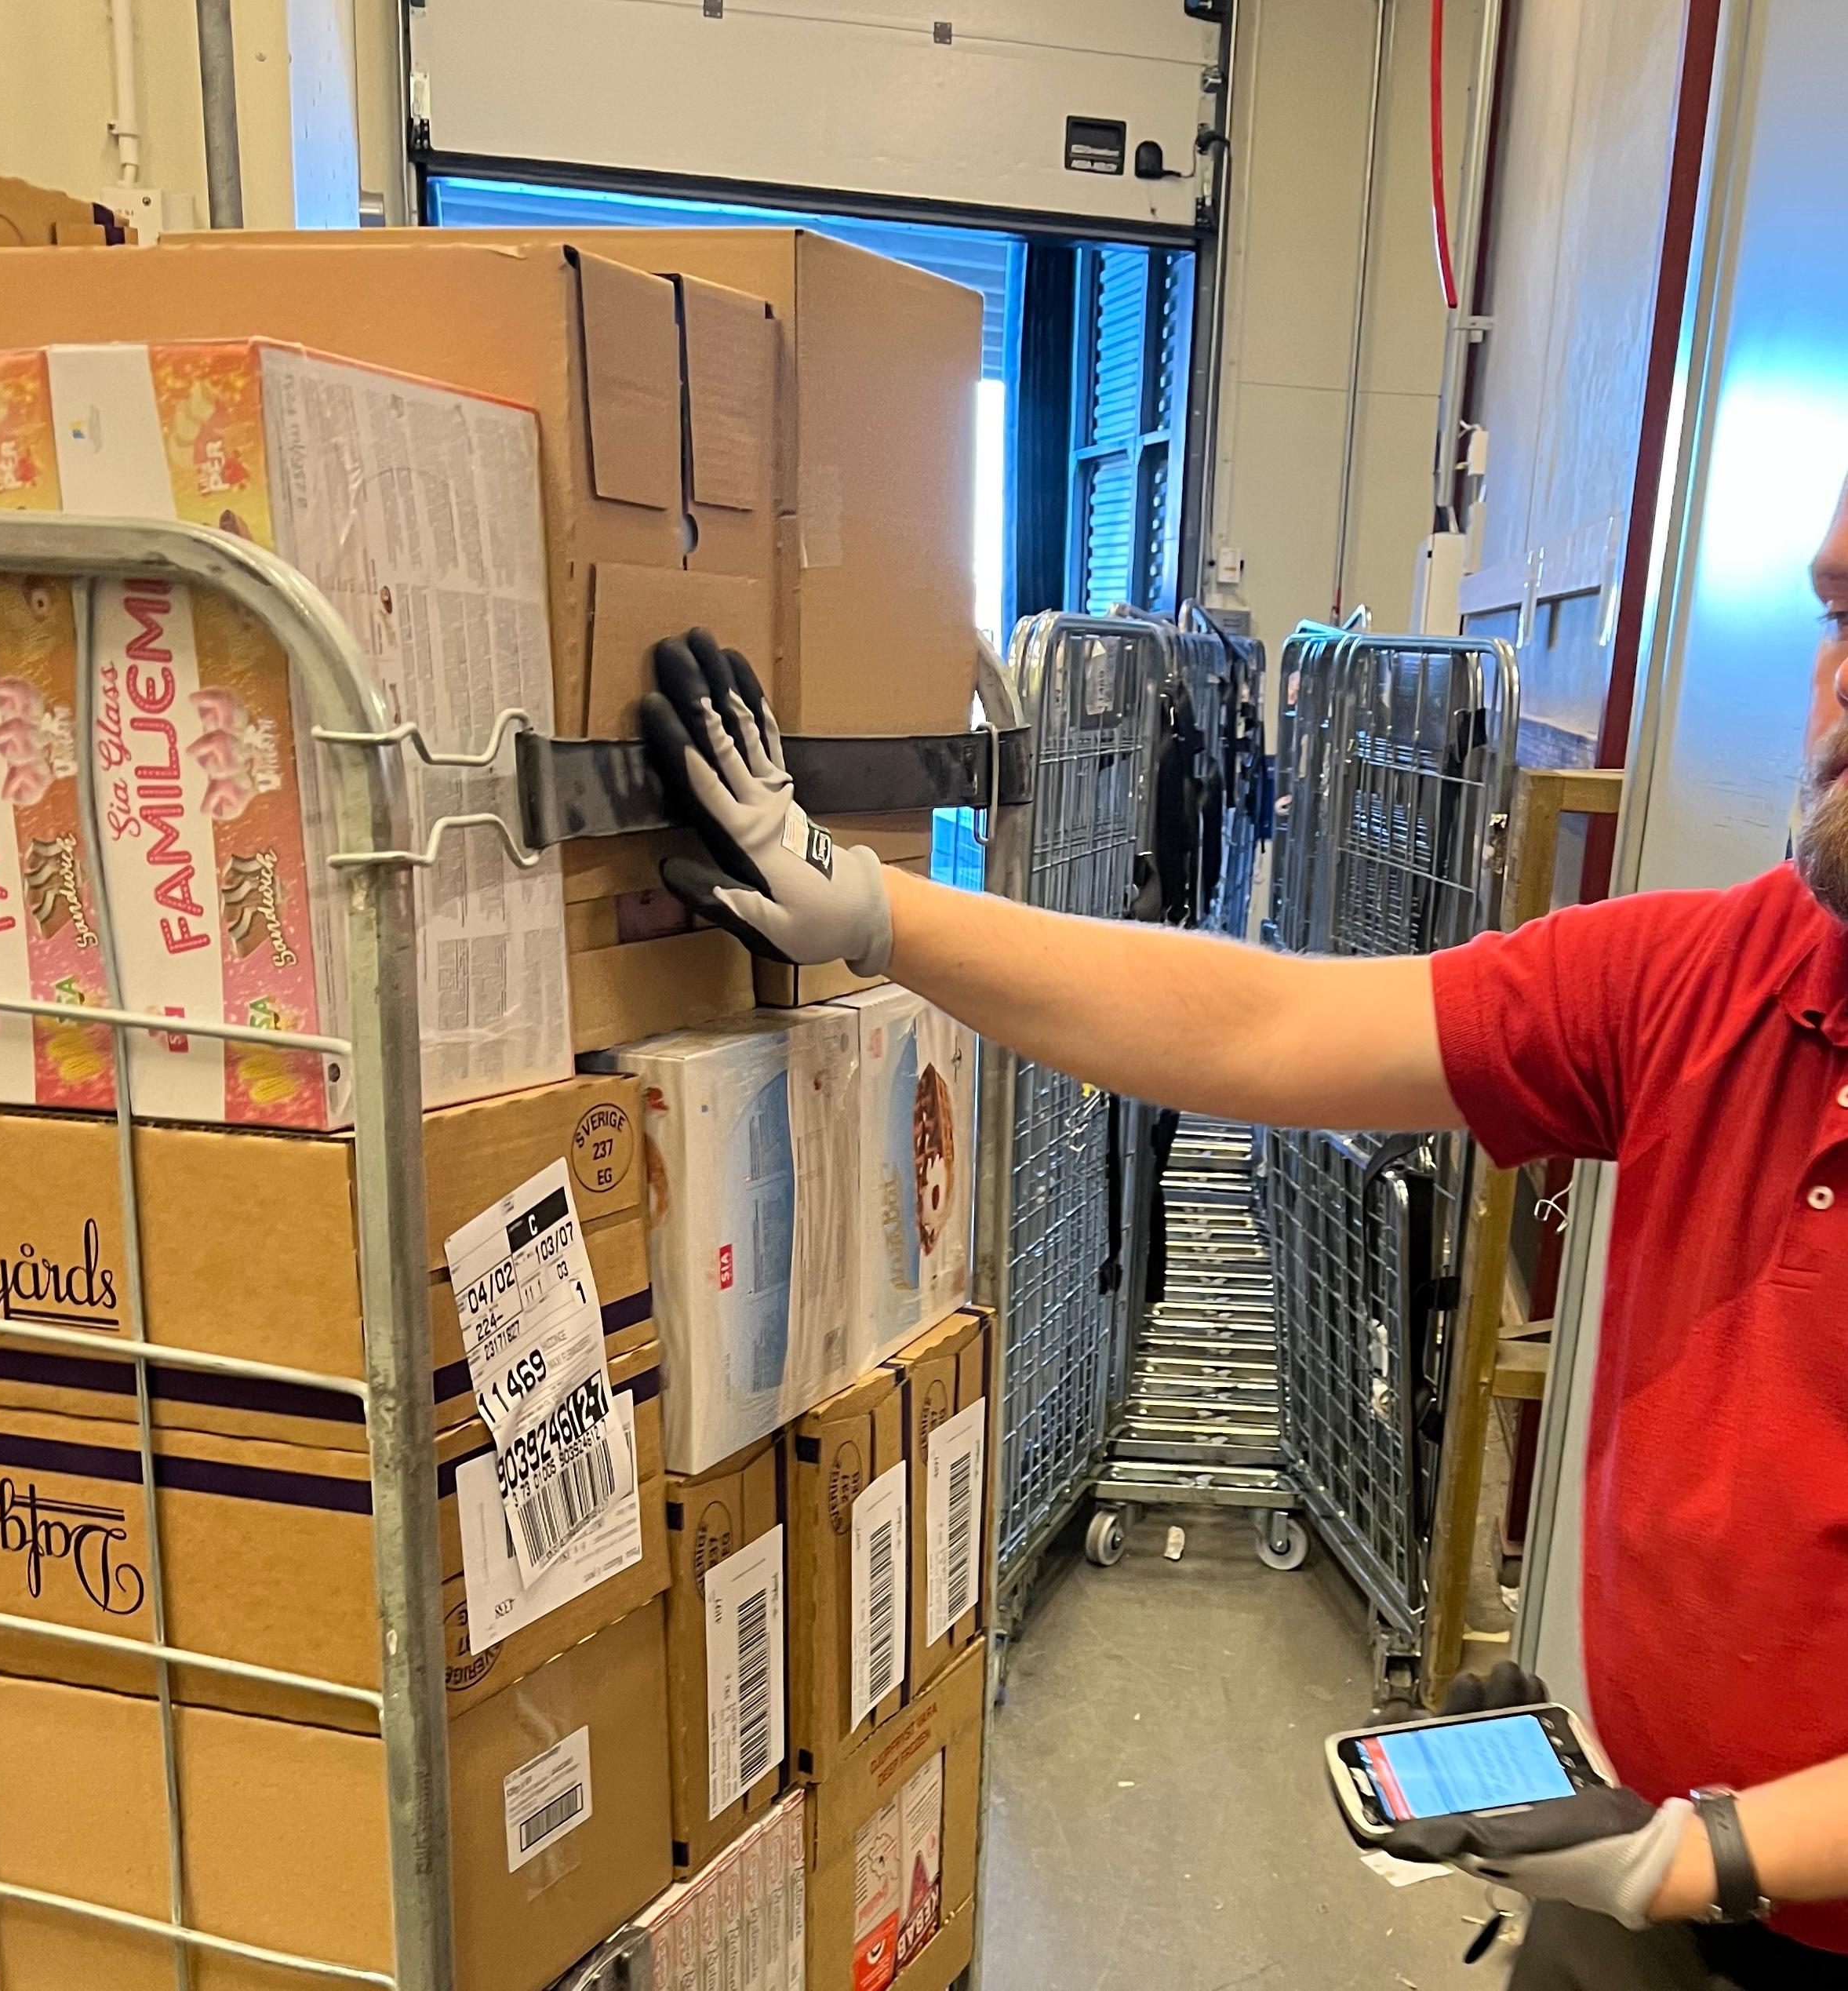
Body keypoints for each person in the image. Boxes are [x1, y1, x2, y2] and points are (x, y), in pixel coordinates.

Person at [638, 477, 1848, 1990]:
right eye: (1839, 612)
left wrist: (1702, 1854)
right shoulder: (1727, 975)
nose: (1841, 672)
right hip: (1656, 1881)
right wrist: (876, 911)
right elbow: (1268, 1019)